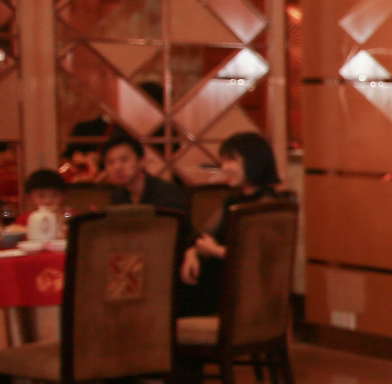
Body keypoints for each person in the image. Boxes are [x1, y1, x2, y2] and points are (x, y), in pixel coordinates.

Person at [179, 131, 288, 319]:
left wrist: (215, 251)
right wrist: (192, 253)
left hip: (242, 289)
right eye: (223, 161)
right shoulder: (233, 201)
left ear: (253, 162)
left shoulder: (267, 204)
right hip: (218, 280)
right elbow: (203, 235)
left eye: (231, 161)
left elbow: (257, 257)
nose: (224, 168)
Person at [100, 130, 188, 213]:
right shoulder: (117, 196)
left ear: (141, 161)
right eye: (110, 162)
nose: (117, 167)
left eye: (124, 160)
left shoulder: (167, 193)